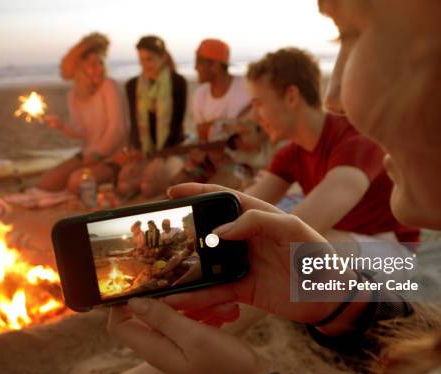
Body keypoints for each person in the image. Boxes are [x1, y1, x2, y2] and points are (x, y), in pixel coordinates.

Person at [107, 0, 441, 374]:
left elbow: (312, 217)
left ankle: (156, 370)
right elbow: (249, 205)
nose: (334, 97)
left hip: (398, 263)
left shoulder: (347, 140)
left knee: (309, 239)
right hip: (360, 279)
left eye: (349, 33)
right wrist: (182, 236)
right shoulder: (290, 153)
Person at [244, 47, 418, 245]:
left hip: (390, 248)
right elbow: (245, 204)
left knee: (302, 243)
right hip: (343, 240)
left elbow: (302, 226)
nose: (253, 116)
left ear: (291, 96)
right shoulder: (292, 153)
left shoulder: (355, 139)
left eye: (258, 104)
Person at [37, 32, 128, 193]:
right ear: (80, 68)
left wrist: (97, 154)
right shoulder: (73, 95)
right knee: (46, 184)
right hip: (89, 154)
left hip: (114, 155)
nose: (99, 68)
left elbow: (117, 129)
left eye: (101, 63)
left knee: (75, 182)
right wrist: (61, 125)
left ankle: (112, 177)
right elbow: (81, 132)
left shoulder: (109, 86)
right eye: (93, 64)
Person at [116, 35, 188, 198]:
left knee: (148, 186)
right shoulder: (132, 85)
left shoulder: (178, 82)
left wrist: (160, 157)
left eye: (149, 59)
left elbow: (176, 127)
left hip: (172, 149)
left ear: (163, 57)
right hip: (145, 151)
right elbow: (135, 125)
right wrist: (135, 154)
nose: (145, 65)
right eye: (141, 60)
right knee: (124, 184)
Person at [174, 38, 253, 186]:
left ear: (215, 66)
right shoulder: (199, 95)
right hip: (212, 159)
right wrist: (199, 150)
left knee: (215, 192)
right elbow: (203, 137)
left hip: (246, 162)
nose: (195, 68)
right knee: (178, 186)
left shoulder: (247, 86)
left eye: (199, 62)